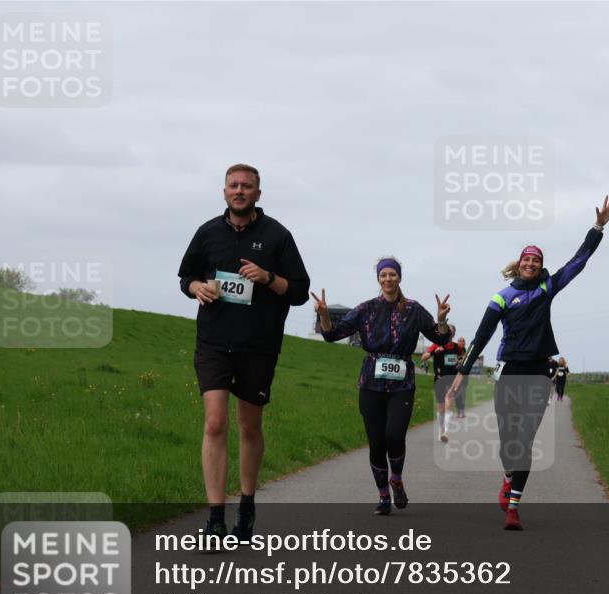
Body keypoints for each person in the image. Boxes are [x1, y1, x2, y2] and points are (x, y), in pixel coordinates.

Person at [449, 196, 609, 530]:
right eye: (526, 259)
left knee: (524, 441)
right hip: (509, 371)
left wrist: (597, 227)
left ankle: (513, 507)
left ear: (540, 266)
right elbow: (481, 337)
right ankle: (508, 475)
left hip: (540, 372)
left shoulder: (547, 287)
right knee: (509, 442)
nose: (530, 264)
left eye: (536, 260)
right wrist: (462, 372)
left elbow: (578, 262)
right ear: (519, 264)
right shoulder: (502, 297)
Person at [178, 164, 310, 545]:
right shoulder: (208, 233)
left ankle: (248, 504)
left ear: (257, 193)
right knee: (215, 422)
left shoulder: (277, 236)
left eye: (247, 186)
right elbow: (185, 277)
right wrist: (197, 288)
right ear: (224, 192)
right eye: (233, 185)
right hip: (214, 342)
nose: (240, 191)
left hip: (259, 344)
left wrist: (268, 277)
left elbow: (299, 291)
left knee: (249, 425)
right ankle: (216, 518)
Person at [313, 257, 452, 515]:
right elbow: (332, 335)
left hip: (402, 384)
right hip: (371, 383)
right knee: (376, 443)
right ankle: (383, 496)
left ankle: (396, 479)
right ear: (378, 279)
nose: (388, 279)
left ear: (399, 277)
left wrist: (441, 319)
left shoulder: (414, 310)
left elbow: (440, 337)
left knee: (395, 436)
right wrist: (324, 315)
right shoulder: (366, 309)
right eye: (383, 275)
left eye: (392, 274)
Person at [420, 325, 463, 442]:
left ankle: (446, 433)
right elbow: (423, 358)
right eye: (447, 331)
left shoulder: (457, 347)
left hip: (452, 380)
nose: (449, 334)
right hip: (439, 379)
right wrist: (434, 352)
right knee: (441, 408)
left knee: (449, 404)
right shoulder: (436, 345)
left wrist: (460, 361)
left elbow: (461, 358)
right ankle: (441, 429)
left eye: (451, 332)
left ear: (453, 334)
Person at [453, 336, 469, 418]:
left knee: (462, 393)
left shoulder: (465, 351)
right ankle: (458, 410)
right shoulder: (454, 350)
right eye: (460, 341)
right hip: (455, 375)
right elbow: (451, 360)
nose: (462, 342)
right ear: (457, 342)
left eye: (463, 341)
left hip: (464, 375)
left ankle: (462, 410)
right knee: (456, 393)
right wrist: (459, 360)